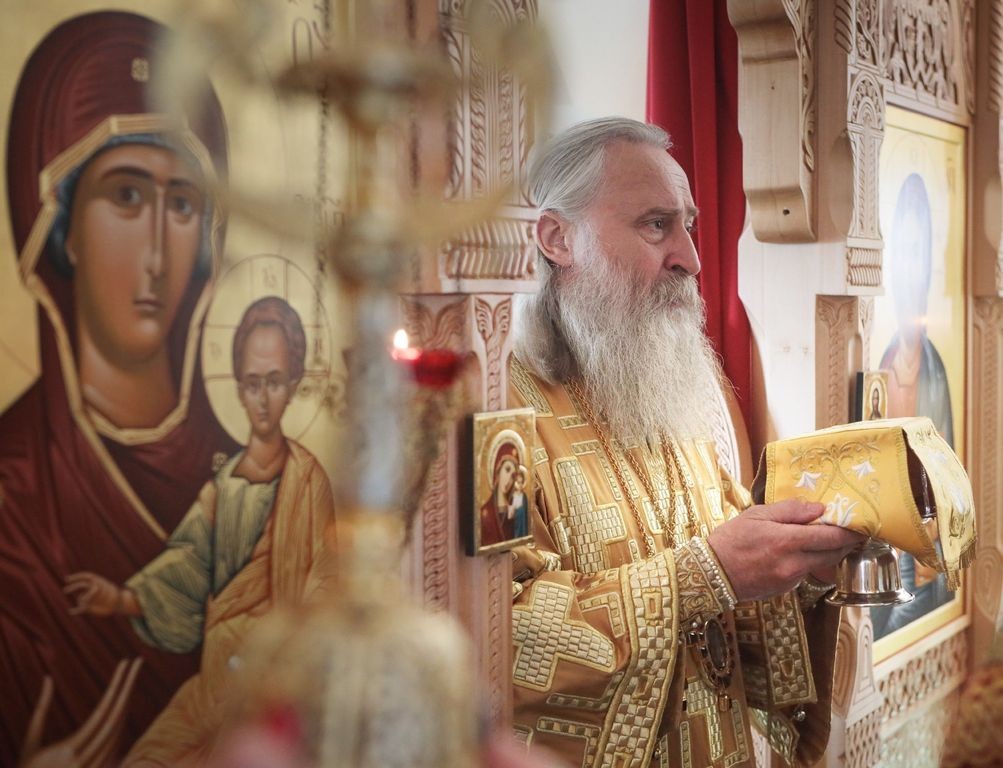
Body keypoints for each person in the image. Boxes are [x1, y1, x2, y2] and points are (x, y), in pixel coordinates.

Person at [508, 118, 864, 767]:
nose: (690, 259)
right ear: (557, 238)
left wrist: (804, 570)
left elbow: (729, 607)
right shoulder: (497, 413)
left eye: (688, 225)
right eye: (655, 225)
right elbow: (496, 635)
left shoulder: (663, 385)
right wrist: (703, 575)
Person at [0, 12, 238, 764]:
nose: (158, 253)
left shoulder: (260, 481)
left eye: (183, 203)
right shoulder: (11, 492)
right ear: (60, 226)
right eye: (127, 197)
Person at [64, 296, 336, 765]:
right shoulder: (224, 484)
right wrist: (121, 599)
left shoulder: (308, 482)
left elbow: (324, 585)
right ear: (238, 387)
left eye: (274, 381)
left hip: (273, 690)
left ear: (293, 384)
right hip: (212, 686)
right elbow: (188, 562)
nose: (263, 398)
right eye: (252, 383)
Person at [872, 172, 954, 640]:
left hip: (923, 553)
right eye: (902, 253)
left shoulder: (935, 371)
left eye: (918, 255)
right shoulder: (882, 360)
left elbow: (948, 474)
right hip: (887, 547)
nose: (910, 270)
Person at [481, 443, 521, 546]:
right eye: (507, 470)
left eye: (513, 476)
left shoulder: (515, 511)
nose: (509, 480)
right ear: (497, 469)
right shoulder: (485, 513)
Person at [510, 466, 530, 539]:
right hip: (515, 520)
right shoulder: (512, 495)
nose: (520, 485)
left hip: (522, 521)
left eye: (521, 482)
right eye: (518, 483)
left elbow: (526, 511)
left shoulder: (524, 496)